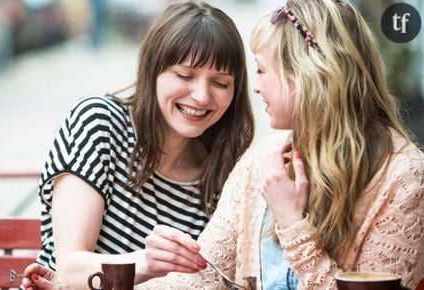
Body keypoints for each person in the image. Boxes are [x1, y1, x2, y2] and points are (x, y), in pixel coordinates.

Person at [137, 0, 424, 289]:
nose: (255, 86)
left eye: (262, 70)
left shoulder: (404, 176)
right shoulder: (263, 158)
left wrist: (292, 224)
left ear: (305, 76)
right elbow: (200, 277)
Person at [21, 1, 255, 289]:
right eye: (185, 75)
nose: (201, 96)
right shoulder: (99, 122)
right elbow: (69, 268)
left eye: (220, 82)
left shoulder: (225, 170)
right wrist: (146, 263)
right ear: (153, 70)